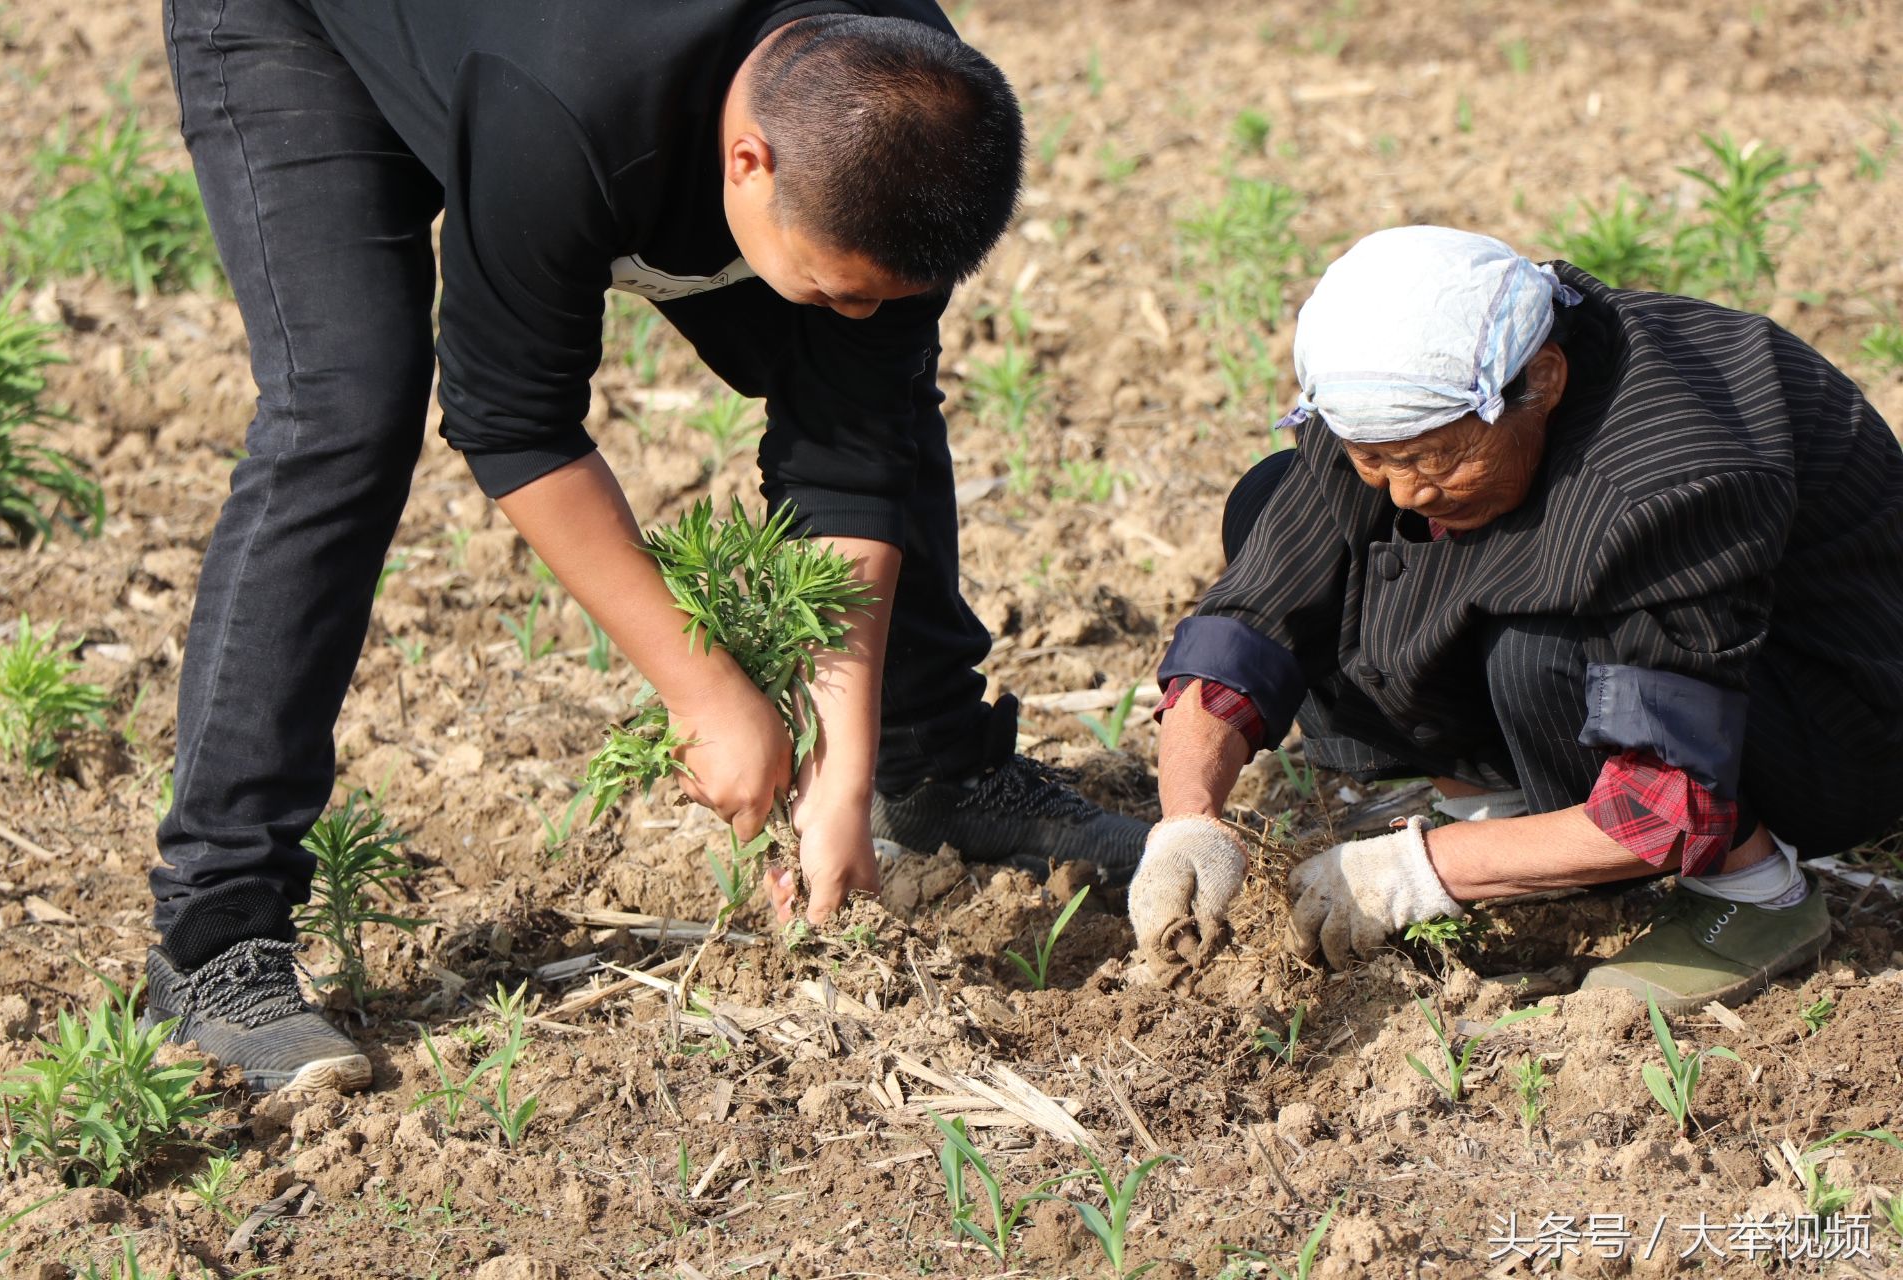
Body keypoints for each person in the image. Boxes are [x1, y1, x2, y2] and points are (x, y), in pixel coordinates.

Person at [144, 0, 1148, 1093]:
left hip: (580, 90)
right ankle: (216, 937)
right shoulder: (564, 110)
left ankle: (936, 764)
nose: (851, 316)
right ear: (749, 160)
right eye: (827, 282)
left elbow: (854, 444)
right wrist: (705, 689)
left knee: (876, 388)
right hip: (319, 30)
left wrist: (846, 763)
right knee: (346, 409)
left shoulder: (904, 94)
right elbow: (513, 420)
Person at [1129, 225, 1903, 1009]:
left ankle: (1751, 890)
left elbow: (1669, 799)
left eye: (1436, 458)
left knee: (1540, 640)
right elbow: (1253, 620)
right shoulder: (1402, 397)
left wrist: (1417, 872)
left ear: (1545, 379)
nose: (1405, 491)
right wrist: (1188, 821)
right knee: (1272, 502)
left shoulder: (1664, 484)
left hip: (1827, 717)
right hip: (1652, 629)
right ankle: (1514, 818)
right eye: (1377, 459)